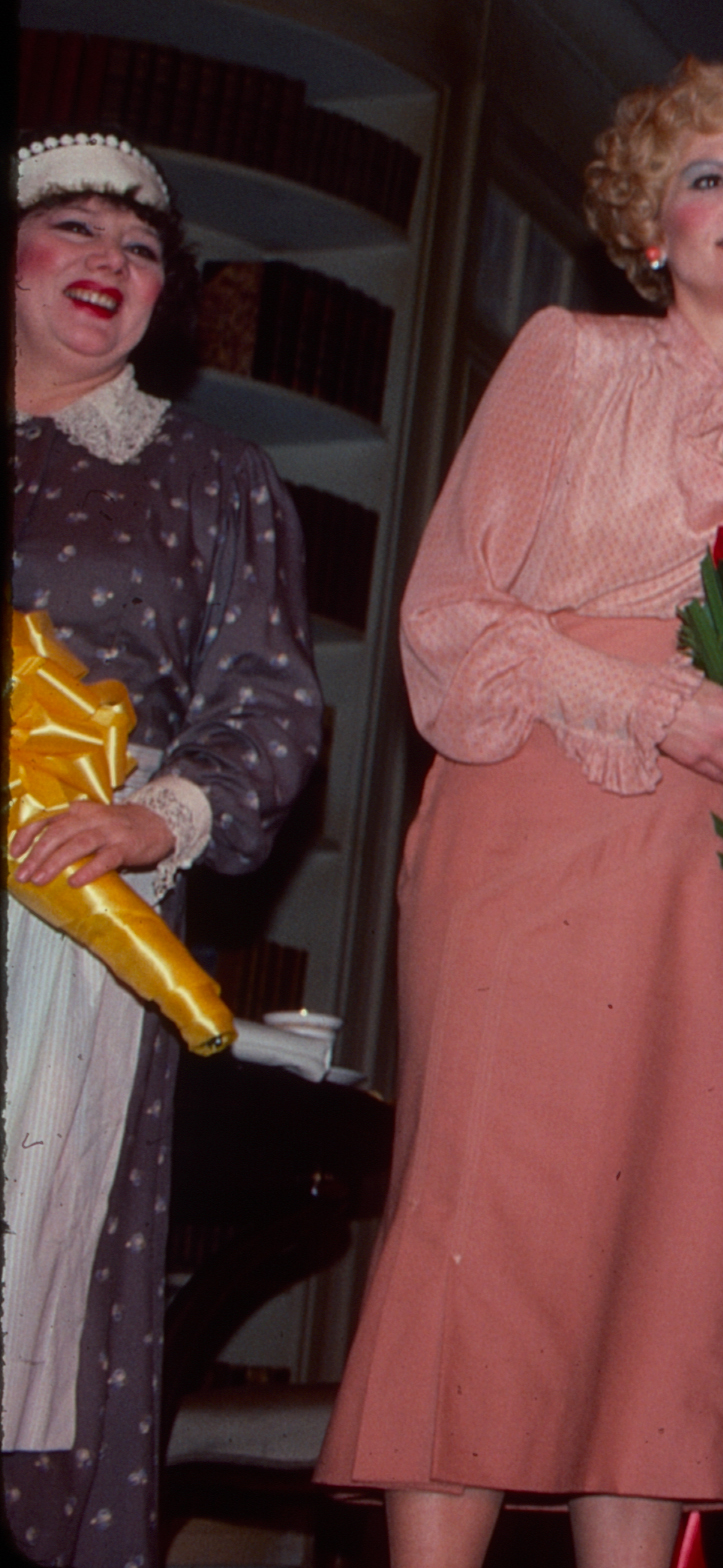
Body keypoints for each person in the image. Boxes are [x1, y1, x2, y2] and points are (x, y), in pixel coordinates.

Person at [316, 61, 723, 1568]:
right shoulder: (571, 360)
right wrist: (654, 703)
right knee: (494, 1218)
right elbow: (446, 615)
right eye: (709, 178)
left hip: (720, 864)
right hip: (538, 820)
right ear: (651, 225)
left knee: (671, 1246)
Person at [8, 132, 323, 1567]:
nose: (109, 266)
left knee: (29, 1311)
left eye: (140, 252)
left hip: (67, 915)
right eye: (73, 230)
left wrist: (155, 819)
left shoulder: (210, 475)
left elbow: (267, 699)